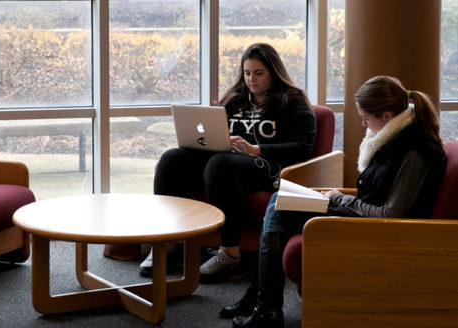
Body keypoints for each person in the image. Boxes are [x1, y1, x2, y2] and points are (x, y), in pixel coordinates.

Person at [222, 75, 447, 328]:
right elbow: (380, 197)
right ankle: (262, 305)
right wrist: (342, 198)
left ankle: (265, 309)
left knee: (278, 207)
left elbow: (391, 213)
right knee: (279, 199)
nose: (363, 124)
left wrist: (340, 198)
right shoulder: (398, 140)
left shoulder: (416, 151)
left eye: (366, 118)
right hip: (364, 218)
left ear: (386, 116)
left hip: (381, 230)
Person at [138, 43, 317, 279]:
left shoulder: (292, 101)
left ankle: (230, 253)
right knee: (171, 158)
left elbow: (303, 147)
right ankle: (169, 243)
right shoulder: (236, 98)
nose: (251, 79)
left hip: (268, 168)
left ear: (274, 71)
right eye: (247, 73)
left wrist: (257, 149)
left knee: (219, 164)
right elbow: (214, 131)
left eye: (258, 73)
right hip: (226, 161)